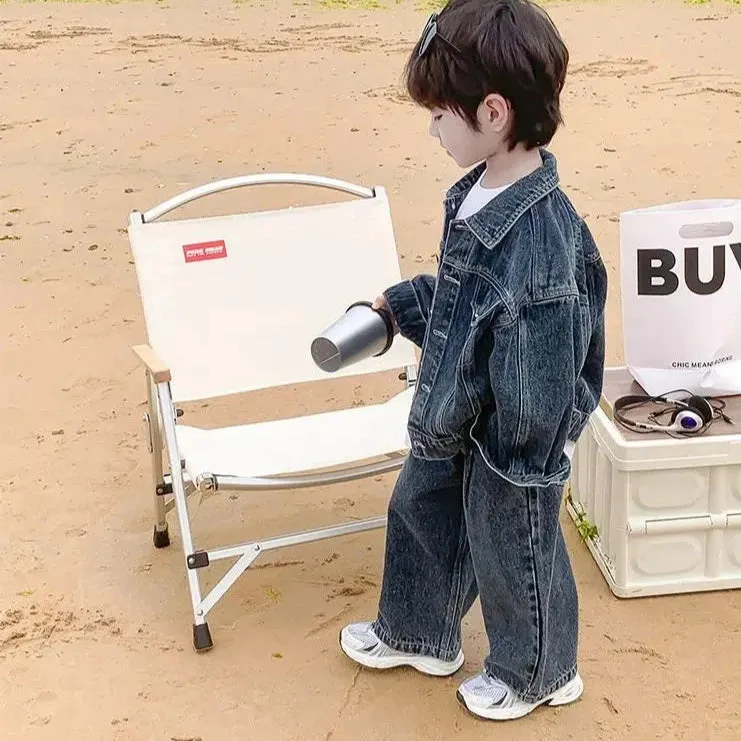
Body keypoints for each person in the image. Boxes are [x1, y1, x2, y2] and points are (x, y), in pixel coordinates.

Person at [338, 0, 608, 722]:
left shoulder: (541, 243)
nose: (430, 127)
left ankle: (539, 670)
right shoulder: (480, 194)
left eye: (437, 113)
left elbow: (543, 358)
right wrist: (403, 306)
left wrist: (515, 451)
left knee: (512, 548)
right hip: (458, 408)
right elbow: (467, 301)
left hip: (508, 435)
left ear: (492, 113)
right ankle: (418, 629)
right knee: (422, 510)